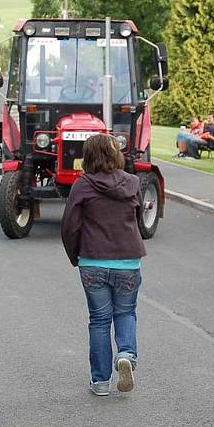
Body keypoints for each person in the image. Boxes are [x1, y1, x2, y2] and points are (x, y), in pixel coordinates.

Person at [61, 134, 146, 396]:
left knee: (99, 320)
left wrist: (75, 255)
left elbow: (70, 226)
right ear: (115, 155)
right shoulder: (132, 183)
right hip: (128, 260)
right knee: (126, 312)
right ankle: (126, 354)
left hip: (93, 260)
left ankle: (100, 382)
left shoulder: (82, 186)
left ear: (87, 157)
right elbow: (140, 217)